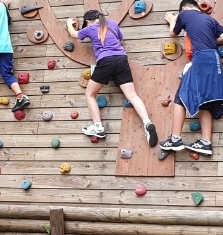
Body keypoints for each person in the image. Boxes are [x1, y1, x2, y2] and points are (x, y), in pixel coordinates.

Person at [66, 9, 158, 146]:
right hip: (122, 59)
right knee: (132, 96)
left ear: (88, 21)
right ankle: (147, 123)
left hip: (106, 61)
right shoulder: (112, 24)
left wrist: (69, 23)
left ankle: (98, 127)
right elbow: (120, 39)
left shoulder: (91, 28)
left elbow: (73, 34)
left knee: (90, 94)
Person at [159, 0, 223, 156]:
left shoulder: (184, 14)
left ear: (184, 8)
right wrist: (210, 42)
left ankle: (175, 138)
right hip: (214, 58)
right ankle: (205, 142)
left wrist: (172, 20)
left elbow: (173, 34)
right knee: (204, 100)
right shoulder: (210, 19)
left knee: (180, 97)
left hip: (200, 58)